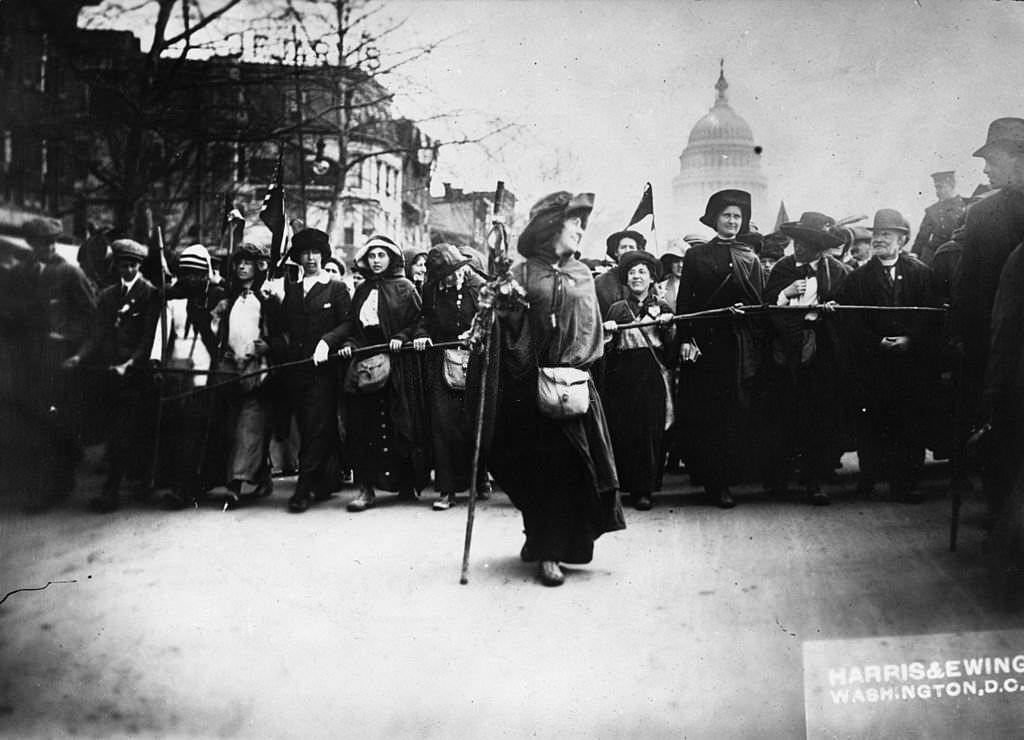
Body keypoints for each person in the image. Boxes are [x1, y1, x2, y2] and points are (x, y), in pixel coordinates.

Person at [487, 191, 623, 587]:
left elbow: (590, 329)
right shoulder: (523, 273)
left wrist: (576, 364)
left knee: (570, 469)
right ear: (552, 228)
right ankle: (541, 541)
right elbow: (507, 331)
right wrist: (499, 312)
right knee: (534, 469)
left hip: (574, 385)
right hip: (529, 387)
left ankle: (554, 549)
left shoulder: (582, 274)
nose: (581, 230)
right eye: (574, 222)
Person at [838, 209, 940, 503]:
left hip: (910, 364)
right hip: (874, 363)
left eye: (887, 235)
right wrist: (876, 341)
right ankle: (869, 476)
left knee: (910, 423)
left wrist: (910, 339)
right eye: (877, 234)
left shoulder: (921, 273)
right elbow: (851, 322)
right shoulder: (857, 278)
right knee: (872, 422)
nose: (879, 240)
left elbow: (931, 316)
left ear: (902, 240)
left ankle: (907, 483)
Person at [675, 189, 766, 508]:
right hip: (706, 346)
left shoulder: (750, 258)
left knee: (734, 413)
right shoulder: (697, 256)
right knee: (707, 415)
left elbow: (760, 305)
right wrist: (686, 339)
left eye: (737, 217)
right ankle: (713, 482)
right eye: (727, 215)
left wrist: (747, 313)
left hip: (739, 346)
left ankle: (729, 478)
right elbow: (685, 301)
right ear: (715, 219)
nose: (732, 221)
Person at [763, 212, 851, 505]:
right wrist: (785, 295)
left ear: (820, 246)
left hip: (822, 350)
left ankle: (815, 480)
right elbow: (766, 308)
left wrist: (832, 311)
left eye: (808, 243)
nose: (799, 248)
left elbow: (849, 310)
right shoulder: (782, 269)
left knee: (819, 415)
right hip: (786, 352)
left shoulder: (836, 271)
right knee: (784, 412)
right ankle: (777, 478)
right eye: (797, 242)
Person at [340, 234, 429, 512]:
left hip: (397, 365)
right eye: (371, 256)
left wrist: (402, 336)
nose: (376, 261)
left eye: (381, 255)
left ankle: (405, 483)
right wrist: (349, 345)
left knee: (397, 423)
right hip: (367, 365)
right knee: (363, 425)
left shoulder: (405, 288)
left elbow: (419, 321)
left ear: (391, 258)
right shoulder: (362, 290)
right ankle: (366, 488)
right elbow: (355, 328)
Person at [270, 228, 352, 513]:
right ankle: (325, 481)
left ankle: (303, 488)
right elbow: (281, 330)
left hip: (324, 372)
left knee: (317, 425)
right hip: (296, 371)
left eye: (316, 253)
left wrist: (326, 342)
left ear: (323, 255)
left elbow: (347, 324)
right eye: (305, 253)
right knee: (307, 427)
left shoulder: (336, 288)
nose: (311, 259)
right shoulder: (292, 291)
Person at [73, 238, 158, 512]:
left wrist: (131, 363)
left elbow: (148, 338)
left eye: (133, 265)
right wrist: (79, 356)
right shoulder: (108, 296)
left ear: (140, 266)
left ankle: (116, 491)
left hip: (136, 374)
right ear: (117, 266)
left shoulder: (151, 294)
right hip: (110, 372)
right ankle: (130, 483)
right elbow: (96, 334)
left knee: (130, 432)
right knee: (114, 431)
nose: (128, 270)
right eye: (123, 265)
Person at [20, 216, 96, 509]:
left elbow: (92, 319)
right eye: (43, 244)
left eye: (52, 242)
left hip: (60, 362)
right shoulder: (23, 272)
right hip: (28, 360)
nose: (49, 248)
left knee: (54, 423)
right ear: (32, 245)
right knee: (33, 423)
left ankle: (54, 487)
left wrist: (67, 337)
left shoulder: (70, 273)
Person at [149, 244, 227, 509]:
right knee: (176, 429)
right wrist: (157, 360)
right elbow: (163, 331)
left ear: (206, 273)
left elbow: (219, 337)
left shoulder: (217, 296)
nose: (192, 279)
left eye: (198, 273)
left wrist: (212, 318)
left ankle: (191, 485)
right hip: (176, 368)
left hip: (204, 368)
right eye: (187, 273)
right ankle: (176, 483)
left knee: (197, 430)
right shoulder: (172, 298)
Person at [602, 250, 674, 511]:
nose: (636, 277)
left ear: (652, 278)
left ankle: (645, 490)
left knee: (650, 432)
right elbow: (606, 350)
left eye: (642, 272)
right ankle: (627, 485)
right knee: (624, 430)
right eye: (632, 273)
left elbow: (671, 348)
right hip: (624, 375)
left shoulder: (663, 308)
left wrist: (668, 327)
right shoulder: (617, 309)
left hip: (652, 375)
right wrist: (608, 331)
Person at [412, 243, 481, 510]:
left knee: (472, 421)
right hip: (441, 363)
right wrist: (422, 336)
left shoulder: (477, 287)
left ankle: (478, 479)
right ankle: (446, 489)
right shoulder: (431, 290)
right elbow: (424, 319)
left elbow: (490, 319)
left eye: (454, 271)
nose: (451, 278)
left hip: (475, 361)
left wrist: (476, 334)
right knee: (443, 426)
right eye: (444, 275)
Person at [214, 242, 277, 508]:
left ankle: (236, 484)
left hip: (258, 369)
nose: (242, 267)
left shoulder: (268, 299)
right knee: (232, 426)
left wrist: (270, 344)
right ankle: (261, 476)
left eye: (247, 263)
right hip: (231, 369)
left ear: (257, 267)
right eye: (238, 262)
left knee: (249, 427)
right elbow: (218, 333)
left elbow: (281, 331)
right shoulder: (228, 300)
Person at [912, 171, 967, 265]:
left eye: (941, 187)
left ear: (952, 185)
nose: (937, 191)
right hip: (939, 255)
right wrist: (915, 253)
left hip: (961, 254)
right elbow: (922, 237)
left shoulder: (968, 205)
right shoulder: (932, 211)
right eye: (936, 187)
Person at [595, 229, 646, 319]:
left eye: (631, 247)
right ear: (616, 252)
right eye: (623, 247)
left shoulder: (646, 278)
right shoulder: (601, 281)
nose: (627, 251)